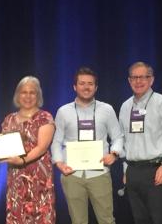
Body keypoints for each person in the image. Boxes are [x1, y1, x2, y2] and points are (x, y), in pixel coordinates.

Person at [51, 67, 123, 224]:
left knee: (107, 220)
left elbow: (118, 137)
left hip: (99, 174)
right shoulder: (63, 111)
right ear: (74, 87)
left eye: (90, 84)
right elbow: (56, 141)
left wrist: (114, 154)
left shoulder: (107, 110)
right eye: (82, 83)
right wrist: (59, 163)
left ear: (96, 87)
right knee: (78, 221)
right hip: (72, 175)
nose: (86, 87)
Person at [119, 61, 162, 224]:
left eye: (143, 77)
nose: (138, 81)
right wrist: (126, 169)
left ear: (151, 80)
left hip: (156, 170)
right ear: (129, 81)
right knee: (139, 219)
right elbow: (123, 140)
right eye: (134, 77)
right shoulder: (125, 107)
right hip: (133, 172)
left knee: (160, 218)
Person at [1, 76, 56, 224]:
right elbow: (4, 147)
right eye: (24, 92)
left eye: (32, 92)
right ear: (18, 95)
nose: (28, 96)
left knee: (41, 218)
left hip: (39, 179)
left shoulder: (45, 117)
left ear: (38, 95)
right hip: (16, 179)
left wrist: (22, 160)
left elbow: (42, 147)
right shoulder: (9, 119)